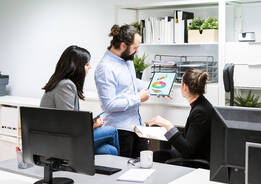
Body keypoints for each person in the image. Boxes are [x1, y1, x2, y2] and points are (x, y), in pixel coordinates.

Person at [40, 45, 120, 155]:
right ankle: (124, 169)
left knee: (109, 150)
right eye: (87, 64)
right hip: (60, 142)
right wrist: (92, 126)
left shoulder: (63, 83)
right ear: (76, 67)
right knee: (112, 131)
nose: (90, 67)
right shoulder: (65, 85)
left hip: (62, 137)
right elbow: (69, 126)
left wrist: (89, 122)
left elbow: (69, 119)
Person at [95, 24, 150, 158]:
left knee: (143, 166)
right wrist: (138, 98)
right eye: (135, 47)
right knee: (124, 172)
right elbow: (110, 105)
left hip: (137, 125)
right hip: (121, 130)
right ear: (123, 46)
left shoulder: (127, 60)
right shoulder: (105, 68)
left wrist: (154, 88)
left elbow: (131, 83)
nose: (137, 51)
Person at [149, 68, 214, 164]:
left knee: (154, 157)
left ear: (185, 87)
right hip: (195, 154)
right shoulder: (201, 104)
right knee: (157, 155)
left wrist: (168, 125)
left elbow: (187, 150)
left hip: (195, 159)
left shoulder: (200, 112)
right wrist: (168, 129)